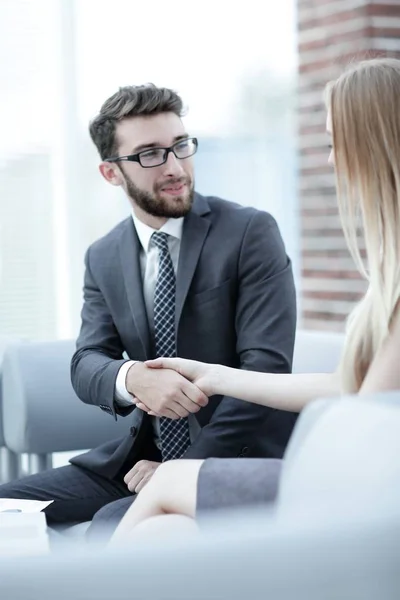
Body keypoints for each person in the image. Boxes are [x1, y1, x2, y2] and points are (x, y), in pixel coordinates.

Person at [111, 57, 400, 541]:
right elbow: (352, 388)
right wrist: (217, 375)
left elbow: (363, 410)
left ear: (372, 141)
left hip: (369, 485)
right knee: (164, 532)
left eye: (334, 143)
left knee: (171, 479)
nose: (330, 160)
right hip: (363, 471)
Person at [0, 84, 297, 537]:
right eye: (150, 154)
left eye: (180, 145)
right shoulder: (103, 256)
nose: (175, 167)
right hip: (139, 458)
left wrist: (180, 469)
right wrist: (131, 377)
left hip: (235, 456)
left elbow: (267, 369)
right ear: (110, 173)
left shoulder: (249, 232)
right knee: (7, 505)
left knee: (109, 526)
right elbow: (87, 364)